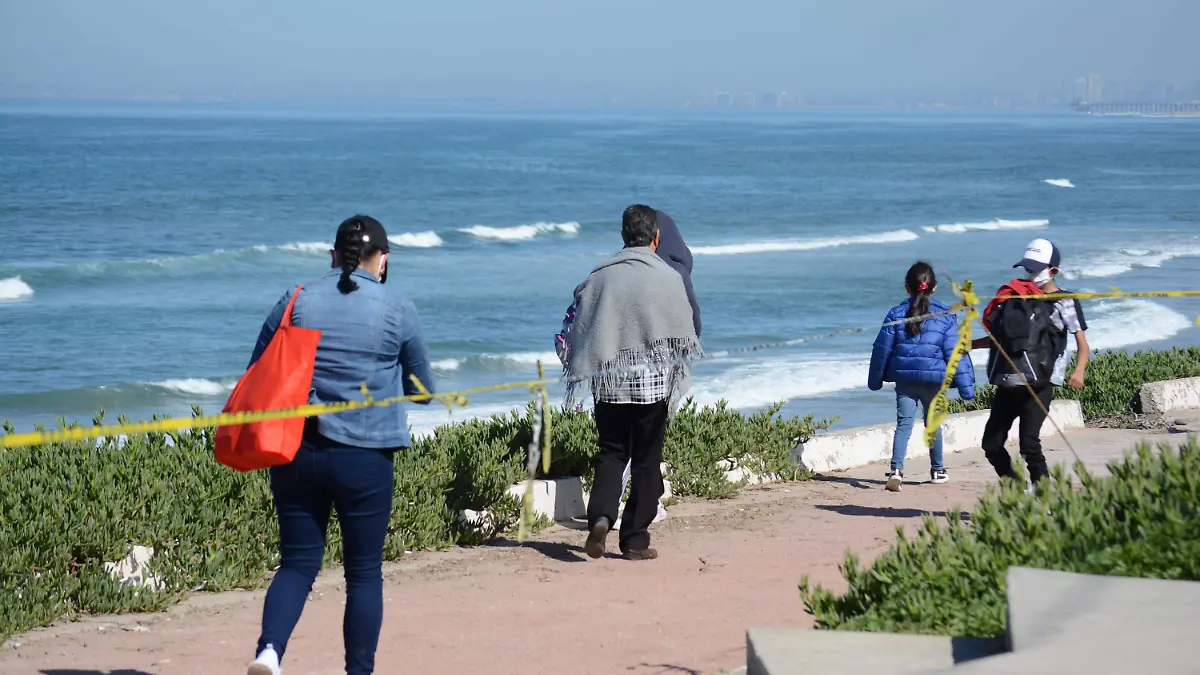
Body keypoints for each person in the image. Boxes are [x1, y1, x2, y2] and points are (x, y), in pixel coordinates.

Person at [245, 215, 435, 675]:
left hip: (298, 449)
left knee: (297, 563)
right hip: (365, 457)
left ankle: (269, 652)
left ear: (333, 256)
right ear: (383, 260)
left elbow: (258, 369)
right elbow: (422, 390)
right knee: (363, 573)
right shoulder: (397, 306)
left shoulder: (297, 299)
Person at [564, 205, 700, 561]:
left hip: (608, 382)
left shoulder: (600, 275)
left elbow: (582, 325)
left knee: (611, 453)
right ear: (656, 237)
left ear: (624, 236)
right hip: (653, 386)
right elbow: (686, 328)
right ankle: (635, 539)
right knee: (645, 460)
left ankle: (601, 518)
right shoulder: (667, 276)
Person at [970, 238, 1089, 490]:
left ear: (1053, 271)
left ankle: (1043, 494)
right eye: (1027, 268)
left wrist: (1079, 371)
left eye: (1035, 269)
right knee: (991, 443)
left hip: (1041, 382)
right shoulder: (1017, 298)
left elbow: (1082, 343)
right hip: (1010, 379)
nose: (1030, 274)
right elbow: (1003, 340)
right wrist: (970, 345)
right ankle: (1017, 489)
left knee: (1029, 443)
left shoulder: (1066, 301)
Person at [868, 262, 975, 492]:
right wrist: (966, 388)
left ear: (907, 287)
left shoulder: (896, 314)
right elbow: (955, 352)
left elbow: (881, 350)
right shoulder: (946, 315)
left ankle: (896, 470)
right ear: (934, 287)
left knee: (904, 425)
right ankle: (938, 470)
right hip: (934, 380)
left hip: (905, 381)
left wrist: (875, 380)